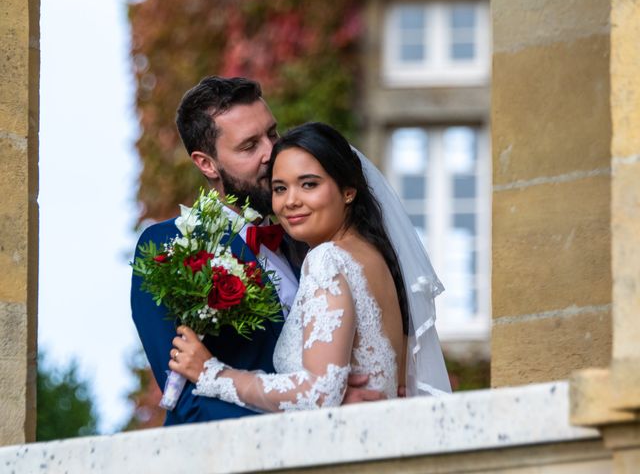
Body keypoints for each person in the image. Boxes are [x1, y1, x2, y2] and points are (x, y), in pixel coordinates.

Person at [131, 77, 383, 426]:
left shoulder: (309, 239)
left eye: (272, 134)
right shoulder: (166, 247)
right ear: (207, 164)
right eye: (250, 146)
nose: (271, 153)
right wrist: (319, 413)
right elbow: (188, 404)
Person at [167, 122, 451, 412]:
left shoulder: (327, 259)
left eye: (309, 184)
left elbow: (319, 392)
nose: (290, 201)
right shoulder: (377, 259)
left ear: (348, 190)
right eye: (280, 188)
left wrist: (212, 374)